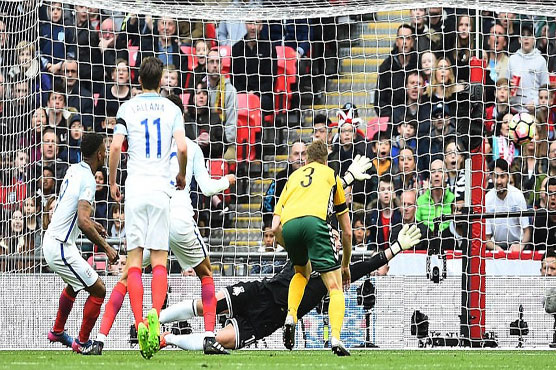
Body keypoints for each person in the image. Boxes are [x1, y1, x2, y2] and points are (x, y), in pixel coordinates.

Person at [95, 93, 233, 356]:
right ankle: (208, 336)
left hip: (153, 216)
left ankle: (101, 338)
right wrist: (226, 180)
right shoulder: (190, 147)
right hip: (179, 218)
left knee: (128, 275)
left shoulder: (151, 146)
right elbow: (205, 188)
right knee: (205, 273)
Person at [156, 224, 422, 351]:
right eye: (332, 238)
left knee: (216, 343)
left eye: (338, 241)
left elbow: (372, 263)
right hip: (259, 291)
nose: (336, 243)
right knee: (208, 304)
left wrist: (397, 247)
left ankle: (166, 339)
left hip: (269, 320)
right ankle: (156, 317)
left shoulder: (337, 273)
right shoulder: (303, 248)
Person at [108, 56, 188, 359]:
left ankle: (139, 320)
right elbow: (181, 147)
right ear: (160, 82)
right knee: (159, 261)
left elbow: (116, 146)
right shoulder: (172, 109)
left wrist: (113, 181)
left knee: (134, 262)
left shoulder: (127, 107)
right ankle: (156, 314)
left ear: (139, 81)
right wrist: (180, 174)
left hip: (136, 188)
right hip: (160, 189)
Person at [271, 139, 352, 356]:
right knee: (334, 287)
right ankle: (335, 337)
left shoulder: (293, 176)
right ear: (326, 160)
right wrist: (345, 265)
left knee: (301, 271)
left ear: (306, 158)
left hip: (289, 226)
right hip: (315, 223)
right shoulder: (331, 175)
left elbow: (274, 224)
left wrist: (285, 242)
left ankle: (291, 315)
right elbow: (347, 231)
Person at [43, 133, 118, 354]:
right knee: (99, 290)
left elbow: (74, 211)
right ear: (101, 153)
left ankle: (57, 331)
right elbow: (83, 222)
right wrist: (107, 246)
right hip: (60, 246)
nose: (106, 153)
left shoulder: (74, 169)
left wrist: (93, 223)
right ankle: (82, 343)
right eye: (105, 148)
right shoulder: (88, 180)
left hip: (57, 242)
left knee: (74, 286)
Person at [485, 158, 531, 252]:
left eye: (502, 176)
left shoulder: (517, 195)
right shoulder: (487, 199)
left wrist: (520, 246)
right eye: (496, 176)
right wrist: (497, 248)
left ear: (508, 177)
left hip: (517, 245)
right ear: (491, 178)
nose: (499, 181)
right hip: (496, 246)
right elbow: (486, 238)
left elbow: (527, 231)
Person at [374, 24, 418, 119]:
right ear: (397, 42)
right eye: (402, 38)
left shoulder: (419, 65)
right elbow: (379, 101)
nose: (405, 42)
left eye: (408, 38)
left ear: (412, 42)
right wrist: (392, 119)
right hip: (393, 120)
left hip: (416, 118)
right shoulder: (386, 66)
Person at [262, 141, 307, 226]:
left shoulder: (315, 177)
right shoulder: (281, 178)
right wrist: (273, 226)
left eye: (303, 154)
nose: (300, 157)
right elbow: (266, 203)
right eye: (296, 154)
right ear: (289, 158)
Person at [508, 25, 549, 113]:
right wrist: (509, 86)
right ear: (519, 39)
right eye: (523, 35)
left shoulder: (540, 60)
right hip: (514, 109)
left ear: (534, 40)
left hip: (535, 111)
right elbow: (504, 85)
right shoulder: (512, 59)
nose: (526, 38)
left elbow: (546, 88)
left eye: (529, 35)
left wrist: (536, 103)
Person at [533, 177, 556, 251]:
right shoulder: (539, 222)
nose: (553, 197)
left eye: (555, 194)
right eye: (550, 194)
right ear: (545, 197)